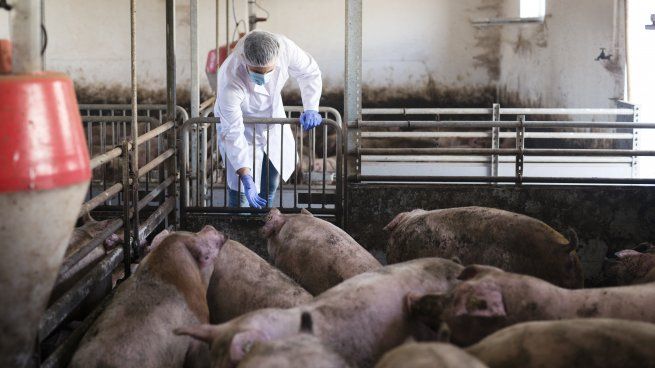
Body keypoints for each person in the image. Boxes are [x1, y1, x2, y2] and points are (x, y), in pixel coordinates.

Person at [214, 30, 322, 209]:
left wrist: (311, 107)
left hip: (273, 122)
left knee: (271, 183)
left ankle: (265, 223)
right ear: (243, 59)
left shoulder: (285, 48)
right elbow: (233, 133)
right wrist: (246, 176)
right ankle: (238, 223)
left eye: (269, 71)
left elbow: (310, 72)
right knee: (240, 191)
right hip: (242, 125)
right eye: (256, 72)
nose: (263, 77)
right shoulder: (229, 79)